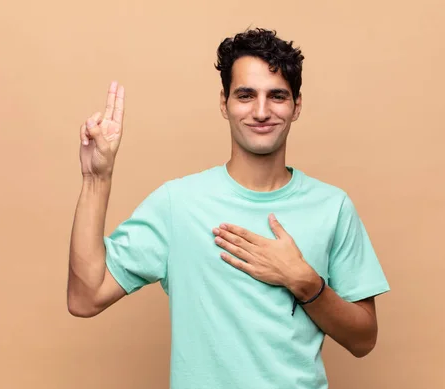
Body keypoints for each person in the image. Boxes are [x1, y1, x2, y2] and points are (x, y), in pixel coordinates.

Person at [67, 27, 390, 389]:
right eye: (246, 95)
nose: (262, 111)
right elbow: (85, 298)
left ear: (297, 106)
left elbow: (364, 340)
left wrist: (304, 282)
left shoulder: (332, 207)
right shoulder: (179, 204)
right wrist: (97, 179)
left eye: (278, 96)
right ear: (224, 103)